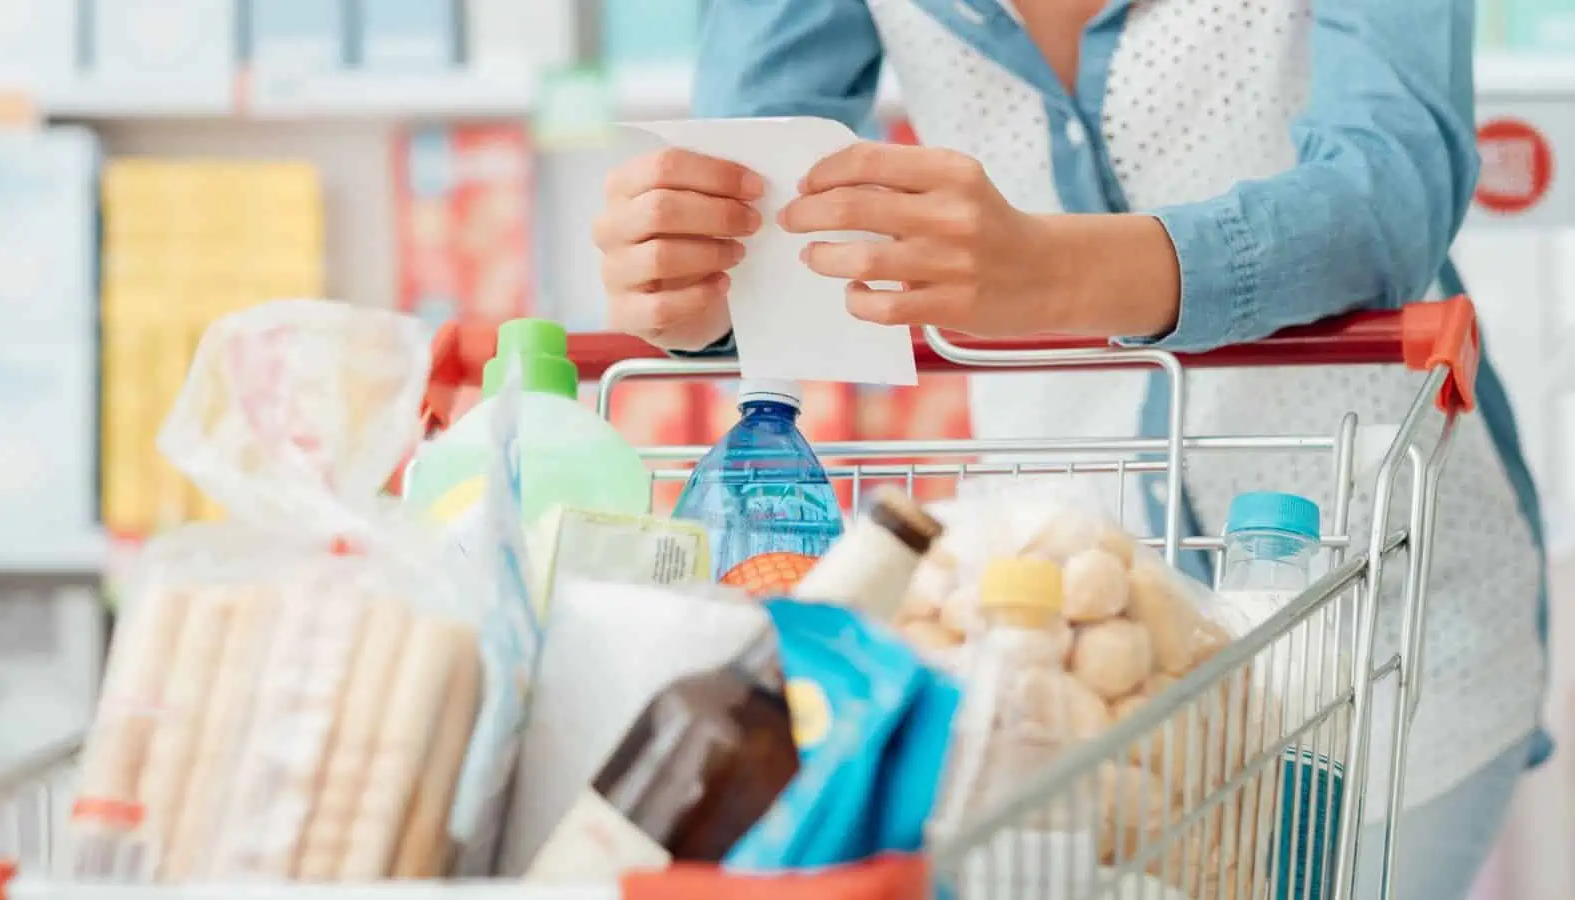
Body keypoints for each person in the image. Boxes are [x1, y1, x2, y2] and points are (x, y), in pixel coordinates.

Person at [592, 2, 1550, 898]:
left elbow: (1392, 182)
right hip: (1050, 638)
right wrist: (691, 283)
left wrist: (1057, 272)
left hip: (1369, 616)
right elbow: (756, 206)